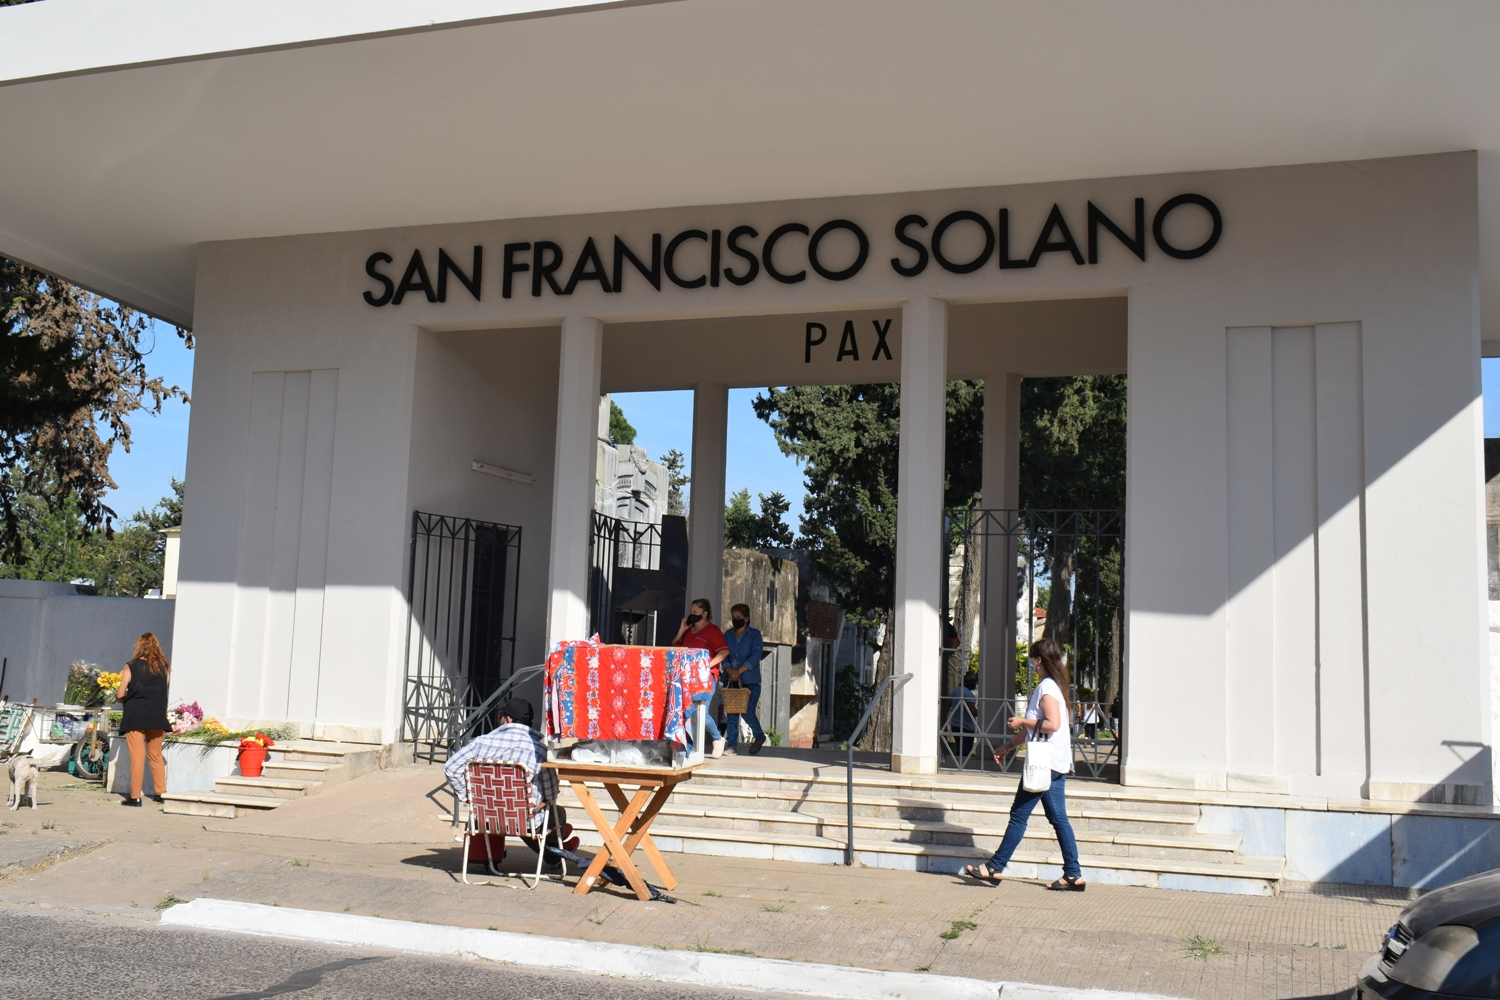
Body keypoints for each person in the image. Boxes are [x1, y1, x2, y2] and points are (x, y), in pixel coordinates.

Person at [962, 638, 1085, 891]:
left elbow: (1052, 725)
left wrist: (1021, 722)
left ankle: (995, 867)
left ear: (1039, 660)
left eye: (1032, 658)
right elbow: (1037, 731)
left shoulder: (1047, 689)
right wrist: (1009, 746)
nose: (1031, 662)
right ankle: (1073, 874)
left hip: (1044, 764)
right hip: (1052, 762)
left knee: (1019, 815)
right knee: (1058, 818)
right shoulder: (1053, 686)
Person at [443, 698, 574, 868]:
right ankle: (555, 850)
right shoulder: (539, 750)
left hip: (486, 816)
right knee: (554, 813)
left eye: (501, 715)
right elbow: (550, 793)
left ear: (508, 719)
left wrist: (470, 796)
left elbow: (450, 768)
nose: (500, 719)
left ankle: (554, 851)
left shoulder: (481, 742)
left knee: (512, 811)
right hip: (524, 819)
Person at [115, 633, 171, 807]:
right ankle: (161, 793)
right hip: (156, 715)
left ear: (139, 646)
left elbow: (120, 693)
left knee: (137, 758)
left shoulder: (131, 666)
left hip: (135, 715)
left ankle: (135, 797)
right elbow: (164, 689)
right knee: (155, 756)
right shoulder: (165, 667)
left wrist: (122, 698)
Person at [673, 598, 730, 756]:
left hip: (706, 676)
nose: (692, 615)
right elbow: (675, 646)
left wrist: (708, 664)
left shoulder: (712, 631)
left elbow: (724, 651)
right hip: (688, 676)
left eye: (695, 613)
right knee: (688, 710)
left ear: (704, 614)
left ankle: (717, 738)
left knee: (701, 711)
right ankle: (687, 746)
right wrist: (681, 630)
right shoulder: (689, 631)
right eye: (691, 612)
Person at [722, 603, 766, 755]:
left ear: (746, 619)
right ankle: (732, 745)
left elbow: (755, 656)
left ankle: (759, 736)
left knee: (747, 711)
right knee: (732, 713)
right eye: (734, 617)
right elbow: (723, 654)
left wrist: (739, 671)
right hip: (731, 680)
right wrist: (729, 669)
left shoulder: (754, 635)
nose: (735, 620)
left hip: (750, 681)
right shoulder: (727, 635)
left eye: (739, 617)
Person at [944, 669, 979, 759]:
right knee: (965, 751)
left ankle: (957, 765)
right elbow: (972, 711)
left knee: (960, 749)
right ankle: (961, 766)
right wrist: (983, 711)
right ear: (965, 682)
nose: (974, 683)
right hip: (966, 726)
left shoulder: (954, 691)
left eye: (975, 680)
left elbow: (947, 707)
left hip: (955, 724)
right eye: (971, 681)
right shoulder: (967, 693)